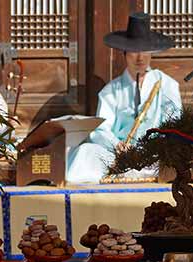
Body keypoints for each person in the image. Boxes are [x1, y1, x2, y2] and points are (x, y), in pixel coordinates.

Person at [67, 13, 182, 184]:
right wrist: (117, 145)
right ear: (125, 53)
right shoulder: (110, 91)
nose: (140, 57)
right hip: (118, 153)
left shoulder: (166, 85)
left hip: (155, 152)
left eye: (144, 51)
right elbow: (100, 130)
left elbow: (175, 124)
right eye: (134, 51)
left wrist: (156, 145)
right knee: (85, 151)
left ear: (151, 53)